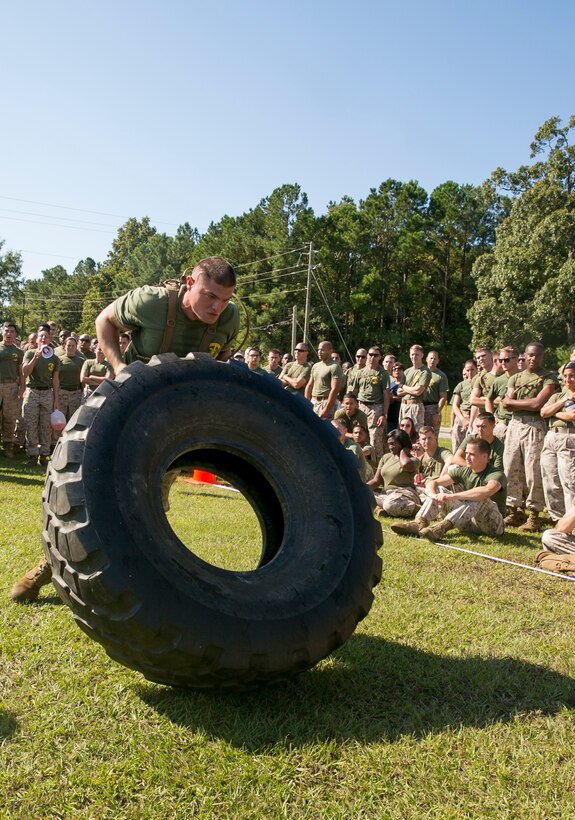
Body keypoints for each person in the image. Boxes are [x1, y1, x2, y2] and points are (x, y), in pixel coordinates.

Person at [95, 256, 239, 374]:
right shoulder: (150, 301)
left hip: (191, 396)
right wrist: (119, 366)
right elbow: (104, 320)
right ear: (190, 283)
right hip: (136, 391)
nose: (217, 307)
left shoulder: (229, 316)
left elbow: (224, 353)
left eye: (225, 300)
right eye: (210, 296)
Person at [391, 437, 507, 541]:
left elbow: (486, 491)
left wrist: (453, 496)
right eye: (466, 453)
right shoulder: (464, 470)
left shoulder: (496, 474)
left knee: (479, 498)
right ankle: (419, 523)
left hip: (493, 525)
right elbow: (434, 482)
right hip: (468, 522)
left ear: (485, 456)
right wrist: (434, 495)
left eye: (471, 454)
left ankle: (440, 528)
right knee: (440, 489)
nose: (466, 457)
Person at [501, 341, 559, 531]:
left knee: (533, 471)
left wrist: (514, 401)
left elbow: (537, 404)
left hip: (535, 426)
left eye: (537, 355)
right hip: (515, 424)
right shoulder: (515, 378)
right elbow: (505, 405)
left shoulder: (548, 377)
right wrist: (514, 402)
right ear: (523, 356)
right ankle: (514, 510)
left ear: (542, 356)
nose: (533, 358)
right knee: (511, 467)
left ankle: (534, 514)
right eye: (529, 355)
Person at [539, 361, 575, 521]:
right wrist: (562, 402)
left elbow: (572, 416)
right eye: (566, 376)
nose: (568, 379)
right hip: (551, 437)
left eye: (572, 376)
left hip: (569, 439)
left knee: (569, 482)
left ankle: (570, 521)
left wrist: (555, 413)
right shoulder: (559, 395)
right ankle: (558, 520)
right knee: (550, 479)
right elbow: (543, 411)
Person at [21, 327, 61, 466]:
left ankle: (44, 455)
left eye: (46, 337)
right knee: (30, 423)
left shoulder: (55, 358)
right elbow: (25, 373)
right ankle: (32, 454)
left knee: (46, 426)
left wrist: (56, 400)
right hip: (32, 392)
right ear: (37, 340)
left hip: (47, 393)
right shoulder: (29, 353)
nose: (43, 338)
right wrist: (35, 358)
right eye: (41, 336)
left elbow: (55, 380)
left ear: (50, 340)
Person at [367, 429, 421, 518]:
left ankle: (416, 509)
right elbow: (376, 481)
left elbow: (405, 465)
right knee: (366, 495)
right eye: (389, 444)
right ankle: (380, 509)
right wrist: (361, 488)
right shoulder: (386, 457)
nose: (390, 447)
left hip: (405, 494)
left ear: (403, 444)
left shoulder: (413, 461)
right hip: (388, 494)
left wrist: (403, 451)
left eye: (393, 444)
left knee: (389, 504)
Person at [354, 347, 390, 460]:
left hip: (376, 407)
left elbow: (386, 394)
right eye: (370, 354)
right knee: (359, 436)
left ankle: (377, 467)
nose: (372, 357)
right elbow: (354, 391)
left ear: (379, 357)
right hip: (361, 405)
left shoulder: (383, 373)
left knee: (375, 438)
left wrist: (384, 414)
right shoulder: (360, 372)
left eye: (376, 355)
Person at [0, 321, 24, 458]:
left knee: (9, 417)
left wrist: (22, 387)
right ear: (2, 332)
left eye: (12, 331)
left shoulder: (18, 352)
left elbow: (21, 372)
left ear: (15, 334)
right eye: (6, 331)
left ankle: (7, 446)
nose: (9, 334)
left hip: (11, 387)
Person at [485, 346, 520, 440]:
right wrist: (491, 417)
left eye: (506, 360)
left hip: (519, 423)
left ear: (516, 359)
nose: (503, 363)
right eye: (501, 360)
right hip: (501, 424)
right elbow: (489, 399)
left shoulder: (524, 377)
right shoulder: (499, 380)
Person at [304, 340, 343, 420]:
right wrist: (306, 403)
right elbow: (310, 385)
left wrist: (326, 410)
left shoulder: (334, 366)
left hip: (325, 402)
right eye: (318, 349)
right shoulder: (316, 366)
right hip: (314, 402)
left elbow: (335, 389)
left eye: (322, 350)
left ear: (330, 351)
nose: (319, 352)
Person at [397, 344, 431, 432]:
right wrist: (411, 388)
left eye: (416, 354)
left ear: (422, 355)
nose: (414, 357)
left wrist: (404, 387)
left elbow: (418, 391)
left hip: (415, 405)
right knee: (402, 432)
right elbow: (398, 392)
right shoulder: (407, 371)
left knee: (415, 432)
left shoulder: (425, 371)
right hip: (404, 405)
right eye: (412, 354)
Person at [56, 336, 85, 425]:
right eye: (68, 345)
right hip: (62, 393)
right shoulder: (58, 360)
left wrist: (83, 393)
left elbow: (83, 380)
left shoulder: (82, 361)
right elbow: (55, 378)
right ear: (64, 346)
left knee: (73, 421)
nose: (70, 348)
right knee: (60, 421)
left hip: (76, 394)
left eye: (73, 346)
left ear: (76, 347)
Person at [450, 360, 478, 452]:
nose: (470, 373)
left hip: (475, 415)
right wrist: (462, 419)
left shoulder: (479, 382)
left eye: (472, 370)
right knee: (457, 445)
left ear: (477, 369)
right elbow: (455, 405)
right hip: (462, 416)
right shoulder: (461, 385)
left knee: (474, 445)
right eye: (468, 370)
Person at [422, 350, 449, 433]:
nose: (432, 360)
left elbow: (443, 397)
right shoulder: (421, 372)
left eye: (435, 359)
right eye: (431, 358)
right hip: (419, 407)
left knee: (432, 435)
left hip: (432, 408)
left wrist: (437, 413)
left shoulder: (441, 376)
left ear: (438, 361)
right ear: (426, 359)